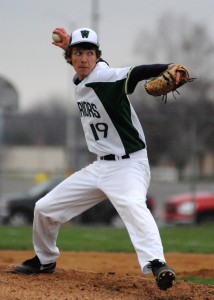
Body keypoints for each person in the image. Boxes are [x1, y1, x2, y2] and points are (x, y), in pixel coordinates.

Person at [13, 27, 182, 290]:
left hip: (129, 165)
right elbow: (87, 62)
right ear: (70, 57)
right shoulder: (86, 75)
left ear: (97, 56)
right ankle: (45, 261)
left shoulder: (106, 76)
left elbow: (135, 72)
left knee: (131, 203)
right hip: (100, 165)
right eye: (78, 53)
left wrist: (168, 67)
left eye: (89, 53)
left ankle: (158, 264)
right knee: (44, 209)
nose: (84, 59)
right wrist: (71, 45)